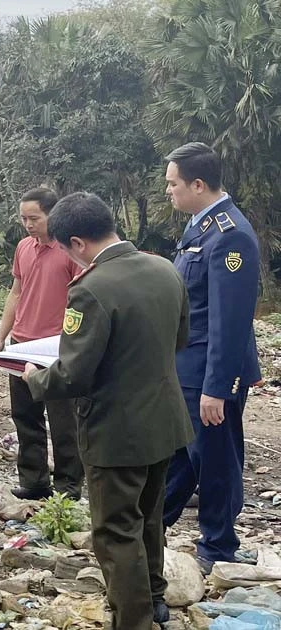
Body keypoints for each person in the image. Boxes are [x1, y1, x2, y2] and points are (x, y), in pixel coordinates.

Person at [22, 192, 193, 629]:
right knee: (149, 517)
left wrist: (34, 378)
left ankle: (132, 620)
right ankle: (154, 598)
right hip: (165, 422)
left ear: (77, 242)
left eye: (65, 249)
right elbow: (179, 340)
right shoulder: (165, 269)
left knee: (116, 531)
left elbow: (74, 375)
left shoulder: (91, 289)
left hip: (117, 432)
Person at [161, 142, 260, 573]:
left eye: (173, 184)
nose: (169, 192)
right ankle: (147, 525)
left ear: (198, 184)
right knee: (184, 455)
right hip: (188, 367)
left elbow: (229, 321)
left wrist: (217, 388)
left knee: (214, 459)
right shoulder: (202, 228)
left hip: (210, 373)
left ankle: (218, 546)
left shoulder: (229, 234)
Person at [0, 188, 84, 500]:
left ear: (51, 215)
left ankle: (68, 486)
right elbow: (16, 292)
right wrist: (1, 337)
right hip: (21, 343)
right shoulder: (24, 248)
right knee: (26, 415)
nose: (28, 224)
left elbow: (82, 298)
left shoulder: (70, 250)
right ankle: (34, 481)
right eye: (23, 218)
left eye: (34, 218)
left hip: (56, 347)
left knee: (63, 420)